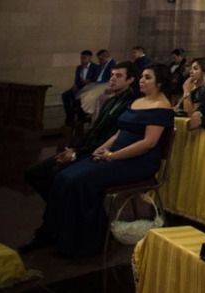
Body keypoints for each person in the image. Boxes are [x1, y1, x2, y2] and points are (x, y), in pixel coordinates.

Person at [34, 64, 174, 256]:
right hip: (115, 155)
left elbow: (149, 143)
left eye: (148, 77)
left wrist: (113, 156)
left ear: (160, 82)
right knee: (63, 176)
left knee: (79, 182)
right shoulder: (138, 101)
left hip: (137, 162)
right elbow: (119, 132)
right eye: (142, 76)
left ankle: (84, 243)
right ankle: (54, 233)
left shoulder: (162, 106)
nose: (142, 80)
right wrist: (102, 148)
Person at [25, 62, 138, 213]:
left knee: (58, 175)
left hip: (101, 152)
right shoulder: (111, 100)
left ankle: (62, 213)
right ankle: (61, 211)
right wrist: (73, 149)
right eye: (111, 75)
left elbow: (111, 137)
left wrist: (76, 155)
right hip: (86, 148)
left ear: (130, 80)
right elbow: (93, 131)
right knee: (34, 173)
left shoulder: (131, 103)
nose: (112, 79)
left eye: (118, 76)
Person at [61, 49, 98, 123]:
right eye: (81, 58)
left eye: (84, 58)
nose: (82, 60)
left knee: (79, 97)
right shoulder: (79, 67)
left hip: (89, 87)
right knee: (65, 95)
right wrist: (75, 85)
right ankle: (70, 114)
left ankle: (81, 116)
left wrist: (89, 81)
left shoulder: (95, 67)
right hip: (80, 86)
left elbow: (96, 79)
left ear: (90, 58)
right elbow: (77, 79)